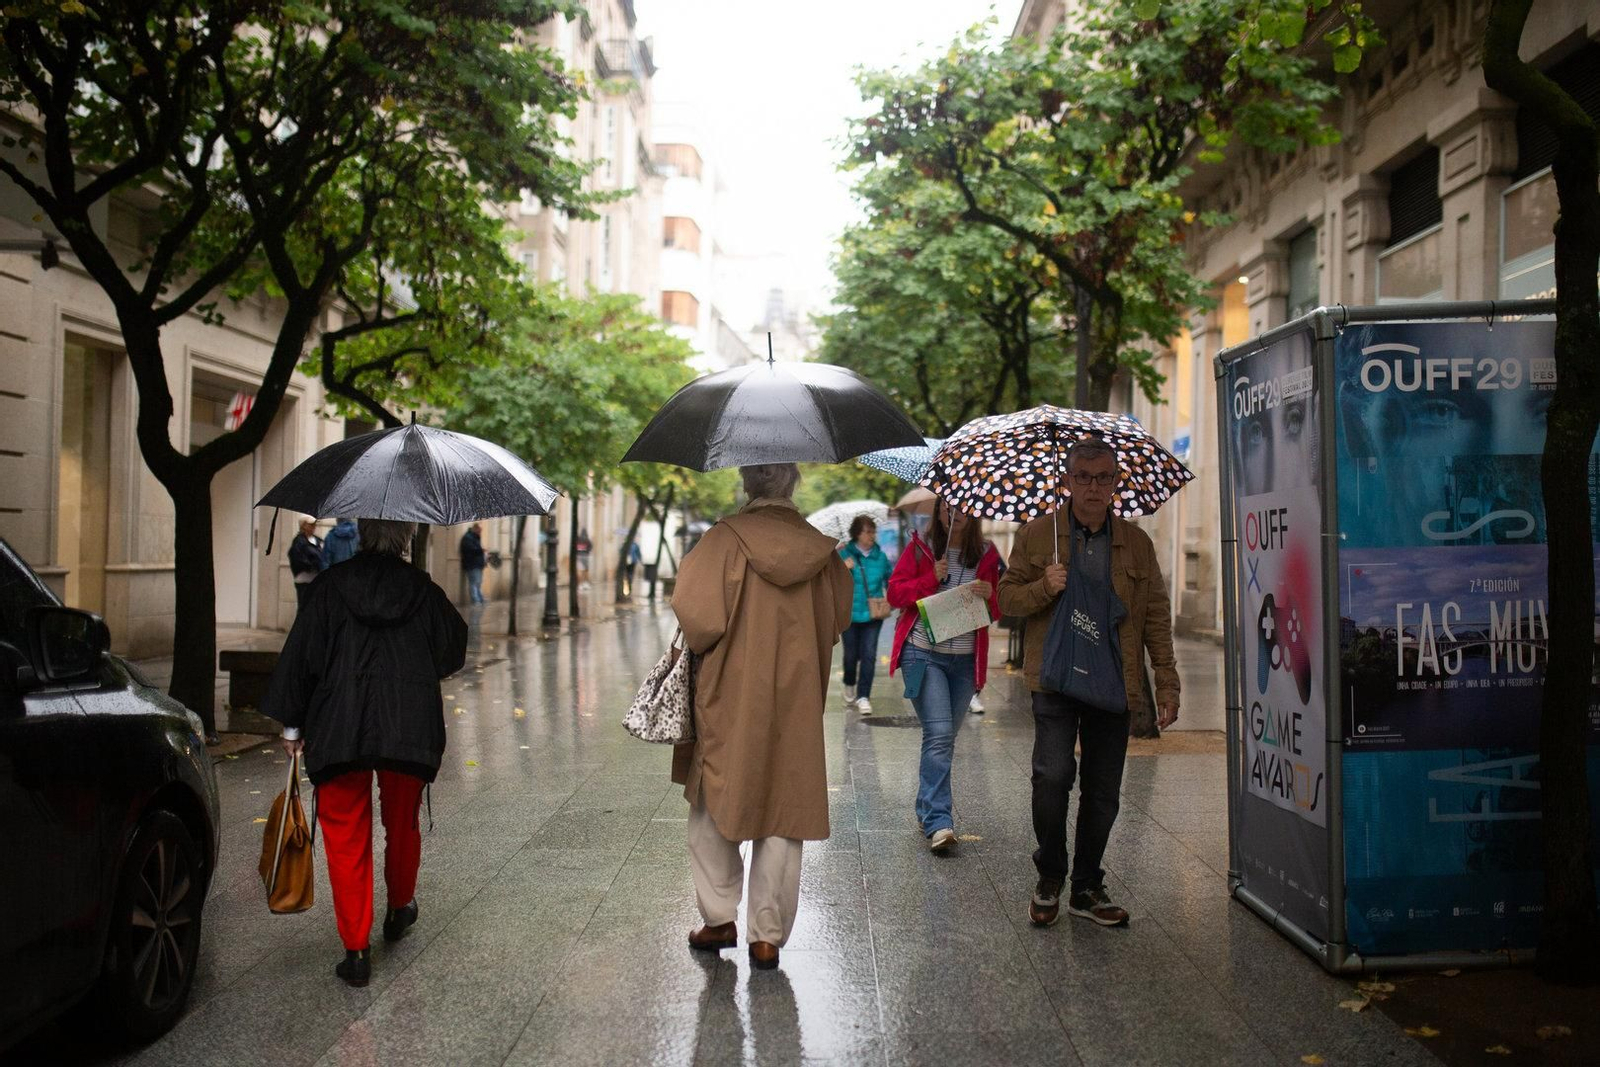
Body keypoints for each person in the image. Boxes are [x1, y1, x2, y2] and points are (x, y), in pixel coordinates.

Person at [262, 518, 468, 987]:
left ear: (360, 534)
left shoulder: (331, 587)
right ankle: (400, 906)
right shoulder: (422, 588)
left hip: (339, 725)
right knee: (402, 821)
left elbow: (302, 655)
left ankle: (356, 950)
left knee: (344, 832)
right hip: (407, 726)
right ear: (406, 538)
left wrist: (293, 724)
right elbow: (452, 649)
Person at [670, 463, 853, 971]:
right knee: (783, 804)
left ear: (748, 483)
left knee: (716, 802)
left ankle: (718, 917)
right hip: (796, 696)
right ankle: (767, 936)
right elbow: (839, 617)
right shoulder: (820, 549)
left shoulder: (724, 541)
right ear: (792, 483)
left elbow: (699, 619)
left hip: (730, 691)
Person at [997, 437, 1180, 928]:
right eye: (1084, 477)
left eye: (1104, 478)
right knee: (1052, 776)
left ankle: (1086, 885)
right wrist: (1044, 586)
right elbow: (1007, 600)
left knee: (1103, 791)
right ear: (1068, 481)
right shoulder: (1039, 535)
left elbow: (1156, 615)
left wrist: (1167, 680)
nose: (1093, 488)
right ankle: (1050, 873)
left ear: (1116, 483)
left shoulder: (1136, 543)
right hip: (1055, 677)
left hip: (1114, 682)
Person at [886, 498, 1001, 853]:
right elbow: (895, 594)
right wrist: (928, 578)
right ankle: (939, 821)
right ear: (939, 512)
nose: (957, 512)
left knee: (943, 738)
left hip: (964, 662)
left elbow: (995, 611)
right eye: (949, 506)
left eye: (965, 506)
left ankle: (926, 807)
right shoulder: (921, 548)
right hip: (924, 655)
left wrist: (990, 594)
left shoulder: (987, 554)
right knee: (938, 735)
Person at [838, 515, 893, 714]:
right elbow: (829, 581)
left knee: (869, 655)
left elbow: (891, 581)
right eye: (867, 531)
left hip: (873, 614)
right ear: (856, 534)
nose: (872, 536)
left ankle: (863, 697)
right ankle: (850, 684)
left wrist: (894, 600)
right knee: (851, 656)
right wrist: (842, 569)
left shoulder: (881, 556)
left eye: (873, 531)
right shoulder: (844, 554)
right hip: (849, 613)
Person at [288, 516, 326, 609]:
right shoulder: (299, 541)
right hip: (303, 579)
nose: (313, 527)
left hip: (316, 578)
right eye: (311, 525)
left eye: (314, 524)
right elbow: (297, 558)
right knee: (304, 607)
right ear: (304, 525)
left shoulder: (318, 540)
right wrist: (311, 565)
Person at [459, 523, 487, 605]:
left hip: (477, 564)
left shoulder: (474, 537)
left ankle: (479, 599)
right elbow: (471, 549)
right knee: (474, 583)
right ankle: (476, 600)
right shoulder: (468, 538)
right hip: (472, 564)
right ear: (475, 529)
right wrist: (481, 550)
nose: (480, 533)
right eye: (479, 531)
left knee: (478, 582)